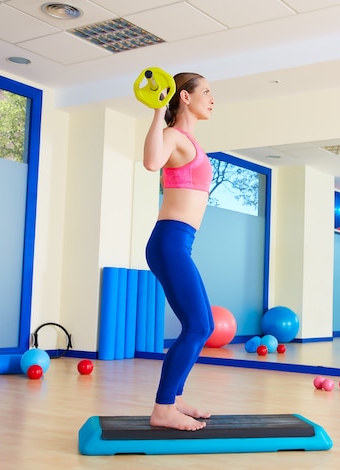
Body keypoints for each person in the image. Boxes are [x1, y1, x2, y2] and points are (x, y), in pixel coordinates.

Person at [143, 72, 215, 431]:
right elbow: (152, 162)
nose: (212, 99)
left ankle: (176, 398)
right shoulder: (173, 135)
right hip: (169, 241)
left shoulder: (190, 140)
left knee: (206, 325)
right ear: (184, 97)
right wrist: (158, 112)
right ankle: (162, 410)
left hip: (180, 242)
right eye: (205, 92)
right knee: (197, 325)